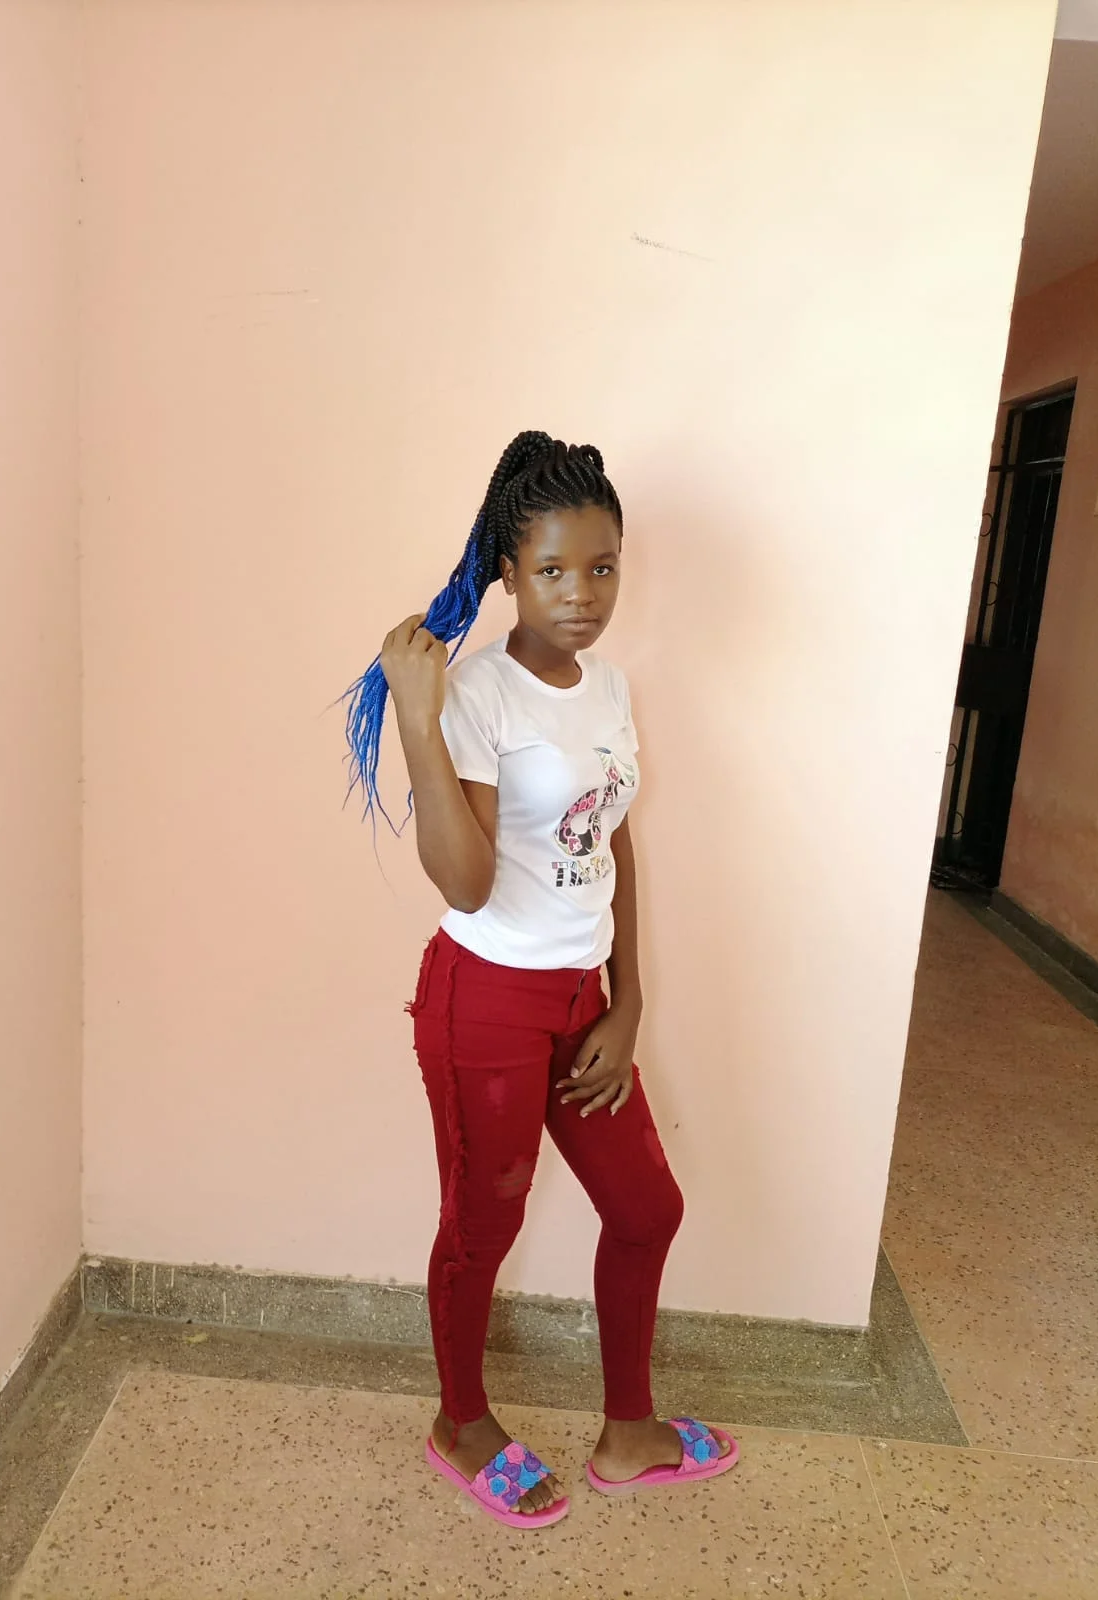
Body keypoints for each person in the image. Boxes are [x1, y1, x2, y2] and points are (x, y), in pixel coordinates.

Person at [343, 432, 738, 1529]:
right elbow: (467, 885)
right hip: (485, 1001)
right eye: (554, 569)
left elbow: (614, 840)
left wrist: (629, 1000)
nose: (582, 593)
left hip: (580, 1002)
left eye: (602, 567)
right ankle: (461, 1422)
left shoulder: (609, 687)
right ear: (510, 572)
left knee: (647, 1209)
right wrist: (419, 719)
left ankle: (628, 1433)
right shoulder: (478, 695)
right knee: (484, 1222)